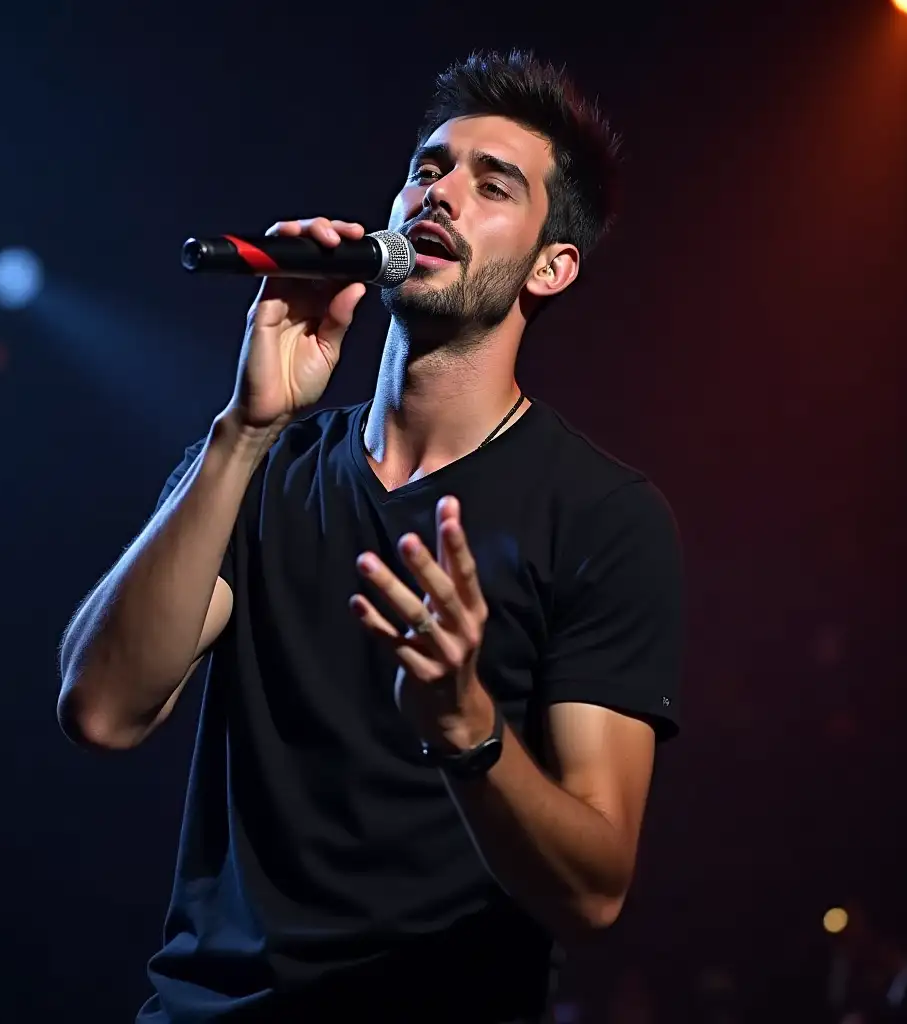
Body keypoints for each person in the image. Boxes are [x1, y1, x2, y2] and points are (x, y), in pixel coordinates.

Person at [57, 50, 684, 1023]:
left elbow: (594, 884)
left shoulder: (603, 516)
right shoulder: (262, 463)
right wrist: (244, 428)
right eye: (427, 168)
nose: (438, 195)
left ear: (553, 265)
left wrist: (467, 726)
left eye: (492, 184)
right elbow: (102, 708)